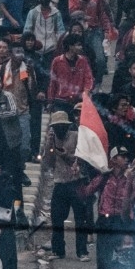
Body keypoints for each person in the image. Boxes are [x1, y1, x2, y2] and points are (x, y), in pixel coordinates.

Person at [41, 111, 91, 260]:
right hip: (60, 182)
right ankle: (58, 250)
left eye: (62, 126)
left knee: (80, 219)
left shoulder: (76, 136)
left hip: (76, 181)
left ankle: (82, 251)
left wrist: (65, 155)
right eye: (56, 127)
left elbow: (81, 159)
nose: (59, 129)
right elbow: (48, 164)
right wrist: (50, 146)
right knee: (57, 218)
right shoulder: (52, 139)